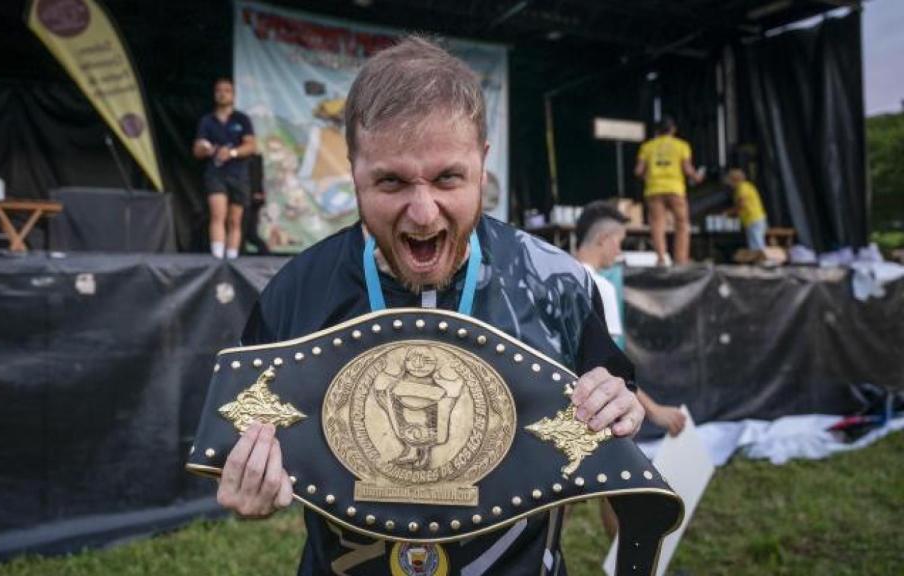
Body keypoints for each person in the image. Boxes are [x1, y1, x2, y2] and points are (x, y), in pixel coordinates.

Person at [215, 36, 645, 576]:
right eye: (391, 181)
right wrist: (248, 481)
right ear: (353, 170)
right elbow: (237, 434)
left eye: (447, 178)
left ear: (483, 163)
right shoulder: (296, 291)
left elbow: (617, 398)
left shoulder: (559, 284)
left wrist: (618, 408)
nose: (422, 213)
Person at [573, 201, 687, 539]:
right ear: (605, 238)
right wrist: (655, 412)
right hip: (597, 412)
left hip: (561, 410)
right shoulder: (601, 287)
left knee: (555, 509)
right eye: (619, 241)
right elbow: (613, 372)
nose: (619, 251)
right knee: (620, 494)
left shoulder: (553, 278)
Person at [193, 78, 257, 259]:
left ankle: (232, 258)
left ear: (233, 95)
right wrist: (207, 149)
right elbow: (197, 149)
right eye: (219, 90)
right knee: (217, 214)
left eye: (227, 90)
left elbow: (251, 146)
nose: (222, 94)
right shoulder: (207, 120)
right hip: (216, 173)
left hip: (238, 174)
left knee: (235, 219)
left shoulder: (242, 119)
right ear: (214, 94)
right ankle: (217, 258)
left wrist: (232, 153)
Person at [634, 116, 703, 266]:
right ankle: (681, 259)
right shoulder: (682, 145)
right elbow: (687, 169)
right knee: (682, 223)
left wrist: (648, 177)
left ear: (658, 130)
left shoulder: (647, 147)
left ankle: (661, 258)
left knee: (657, 224)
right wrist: (697, 177)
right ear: (673, 129)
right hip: (675, 189)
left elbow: (638, 171)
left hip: (654, 189)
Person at [725, 168, 768, 251]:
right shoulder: (745, 186)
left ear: (735, 180)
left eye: (730, 181)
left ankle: (764, 259)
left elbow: (741, 204)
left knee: (756, 241)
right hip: (754, 219)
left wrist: (728, 213)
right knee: (754, 242)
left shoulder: (742, 187)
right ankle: (758, 260)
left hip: (753, 218)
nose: (729, 184)